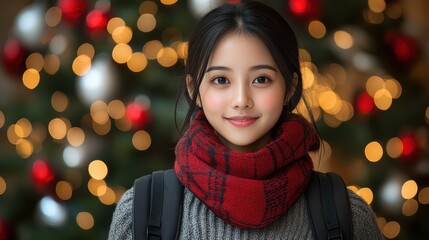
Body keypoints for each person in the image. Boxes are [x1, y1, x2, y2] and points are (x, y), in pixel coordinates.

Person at [108, 1, 383, 239]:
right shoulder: (141, 211)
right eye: (220, 80)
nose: (241, 99)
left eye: (261, 79)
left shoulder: (346, 215)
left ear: (289, 87)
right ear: (195, 90)